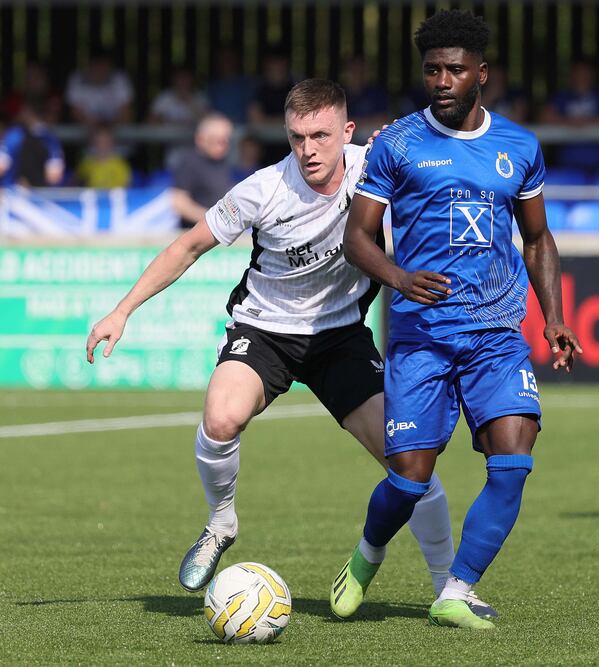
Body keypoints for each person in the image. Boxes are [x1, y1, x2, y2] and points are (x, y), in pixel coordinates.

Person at [85, 78, 496, 617]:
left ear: (346, 132)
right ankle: (221, 521)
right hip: (266, 332)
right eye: (297, 137)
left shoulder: (378, 164)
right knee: (220, 417)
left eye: (321, 136)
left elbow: (448, 148)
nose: (308, 150)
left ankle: (449, 588)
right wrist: (122, 310)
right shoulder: (262, 189)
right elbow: (188, 245)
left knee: (409, 462)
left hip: (341, 338)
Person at [329, 10, 581, 630]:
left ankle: (456, 589)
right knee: (411, 480)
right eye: (432, 69)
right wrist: (398, 278)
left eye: (454, 69)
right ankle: (366, 557)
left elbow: (539, 238)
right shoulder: (397, 145)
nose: (441, 80)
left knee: (514, 461)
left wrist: (553, 317)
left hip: (496, 336)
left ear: (481, 75)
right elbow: (356, 238)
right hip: (422, 338)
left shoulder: (518, 147)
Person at [538, 57, 599, 172]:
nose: (582, 77)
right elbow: (545, 117)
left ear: (593, 75)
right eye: (578, 73)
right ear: (572, 75)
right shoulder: (563, 96)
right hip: (566, 164)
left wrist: (587, 122)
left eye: (586, 73)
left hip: (597, 164)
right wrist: (571, 122)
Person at [170, 113, 234, 229]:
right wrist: (214, 219)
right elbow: (179, 202)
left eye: (225, 141)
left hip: (221, 232)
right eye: (216, 140)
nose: (222, 145)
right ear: (200, 139)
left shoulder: (223, 161)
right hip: (195, 231)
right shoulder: (189, 162)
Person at [0, 98, 64, 187]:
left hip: (16, 194)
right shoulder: (50, 138)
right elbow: (54, 175)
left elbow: (54, 175)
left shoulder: (15, 135)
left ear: (28, 111)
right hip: (35, 195)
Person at [65, 49, 133, 126]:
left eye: (104, 65)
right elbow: (74, 111)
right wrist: (91, 122)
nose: (100, 70)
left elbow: (126, 113)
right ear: (89, 65)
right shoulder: (77, 78)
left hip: (114, 131)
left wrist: (108, 126)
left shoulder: (119, 79)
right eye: (97, 65)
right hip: (85, 130)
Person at [75, 124, 132, 189]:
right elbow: (77, 183)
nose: (102, 145)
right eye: (99, 141)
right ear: (93, 143)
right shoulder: (86, 163)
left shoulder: (120, 164)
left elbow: (126, 186)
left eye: (105, 141)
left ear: (111, 143)